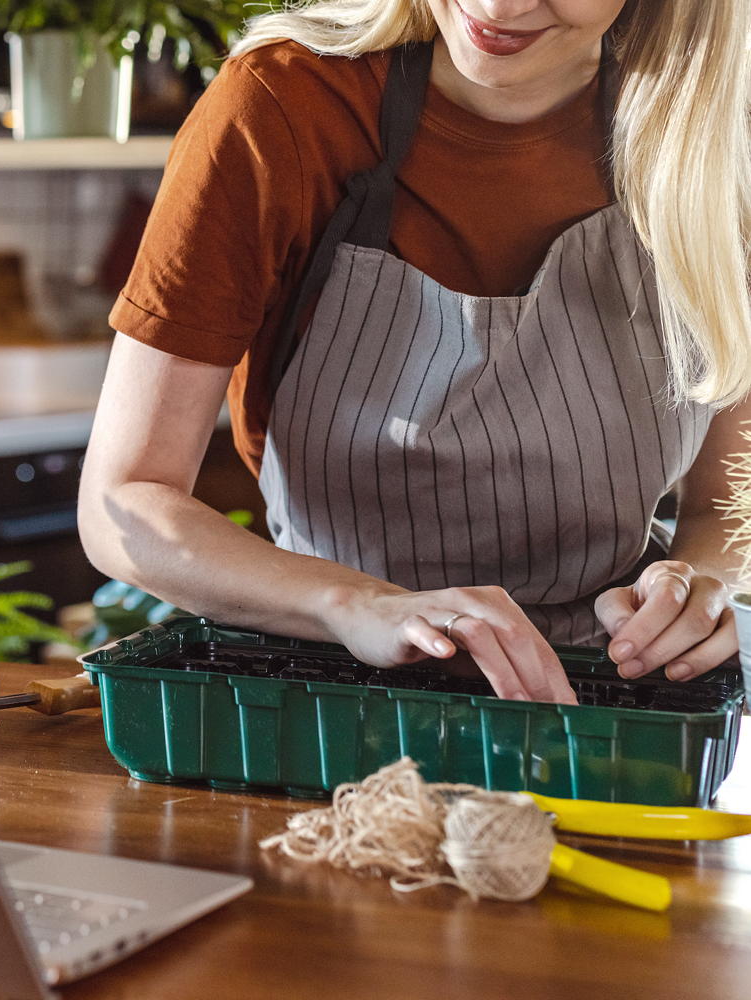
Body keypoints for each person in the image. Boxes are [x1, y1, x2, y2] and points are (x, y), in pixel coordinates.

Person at [78, 0, 751, 704]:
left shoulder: (714, 138)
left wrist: (702, 585)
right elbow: (122, 502)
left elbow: (727, 502)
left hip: (609, 704)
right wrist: (356, 604)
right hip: (329, 692)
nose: (501, 6)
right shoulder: (282, 107)